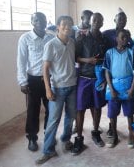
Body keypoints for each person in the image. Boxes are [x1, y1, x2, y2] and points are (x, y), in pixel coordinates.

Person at [36, 16, 77, 165]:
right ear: (58, 27)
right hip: (57, 88)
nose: (68, 27)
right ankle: (48, 150)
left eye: (70, 24)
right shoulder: (51, 45)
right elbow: (45, 69)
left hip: (72, 86)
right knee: (53, 120)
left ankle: (66, 140)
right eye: (64, 24)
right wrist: (48, 89)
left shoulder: (72, 42)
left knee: (70, 116)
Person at [71, 13, 109, 155]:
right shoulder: (82, 38)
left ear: (102, 22)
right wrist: (88, 60)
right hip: (84, 77)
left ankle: (95, 132)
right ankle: (79, 138)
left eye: (99, 20)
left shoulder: (104, 39)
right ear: (90, 21)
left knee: (97, 107)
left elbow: (107, 57)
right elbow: (75, 57)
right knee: (80, 109)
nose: (96, 22)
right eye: (94, 20)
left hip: (98, 79)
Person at [17, 12, 54, 152]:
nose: (41, 23)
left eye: (43, 20)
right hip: (32, 80)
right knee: (33, 110)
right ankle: (32, 138)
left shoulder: (50, 37)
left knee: (51, 108)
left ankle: (48, 135)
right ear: (32, 22)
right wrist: (22, 81)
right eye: (37, 20)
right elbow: (21, 61)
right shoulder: (25, 39)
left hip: (48, 80)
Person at [103, 29, 134, 148]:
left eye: (127, 37)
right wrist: (111, 88)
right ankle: (114, 135)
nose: (125, 39)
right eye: (122, 37)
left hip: (128, 86)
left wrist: (133, 87)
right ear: (116, 38)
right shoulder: (109, 53)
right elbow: (107, 71)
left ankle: (131, 134)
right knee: (112, 113)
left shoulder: (131, 52)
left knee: (129, 113)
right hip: (113, 87)